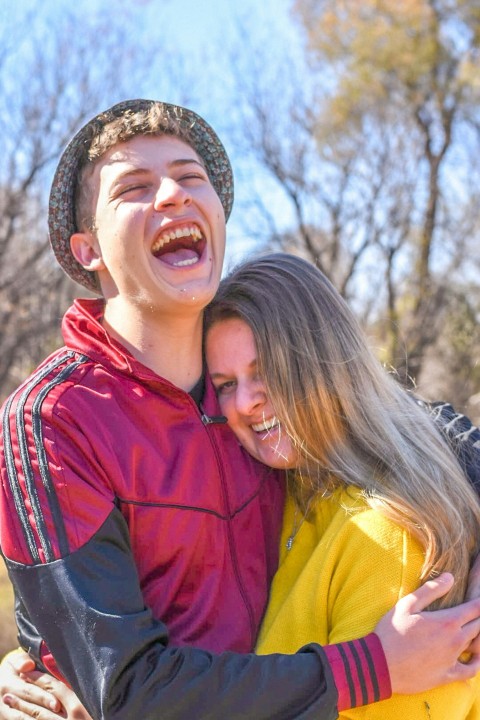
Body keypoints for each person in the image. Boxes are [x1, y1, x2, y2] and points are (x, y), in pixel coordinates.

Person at [1, 100, 480, 720]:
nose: (173, 193)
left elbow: (417, 429)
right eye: (134, 187)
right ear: (87, 248)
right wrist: (373, 667)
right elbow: (124, 691)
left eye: (190, 176)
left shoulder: (253, 390)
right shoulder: (52, 420)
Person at [204, 251, 480, 717]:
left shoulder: (388, 537)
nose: (247, 402)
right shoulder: (282, 489)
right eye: (226, 384)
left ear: (324, 361)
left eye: (265, 370)